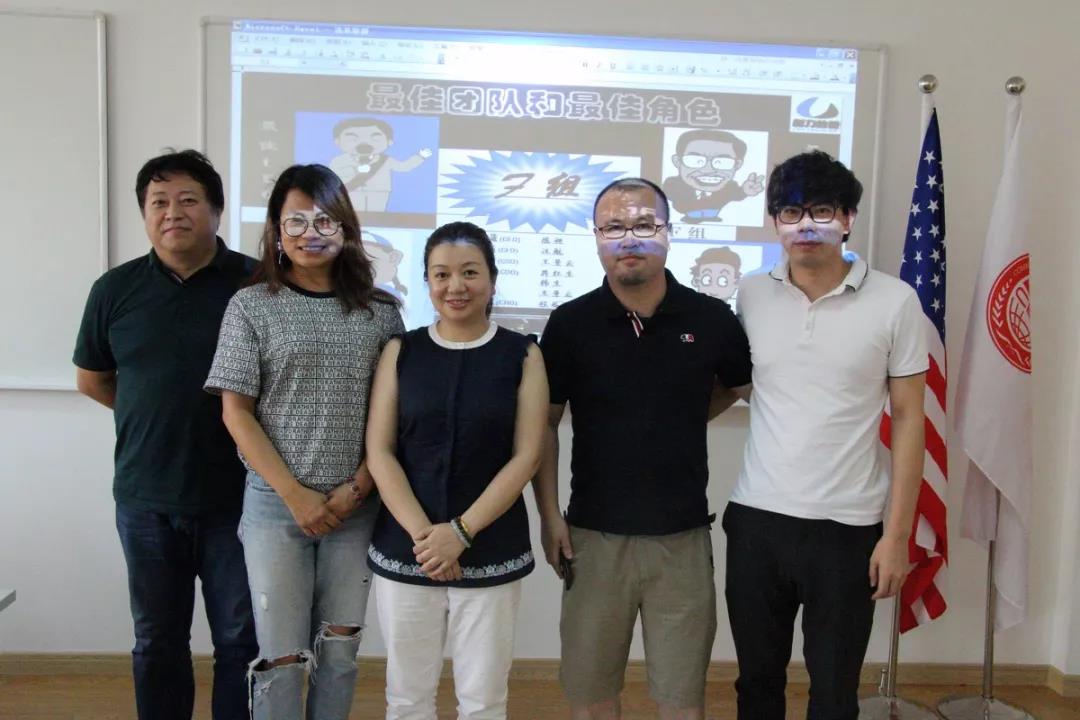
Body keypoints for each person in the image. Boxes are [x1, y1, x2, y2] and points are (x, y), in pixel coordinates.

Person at [536, 178, 752, 720]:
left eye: (643, 225)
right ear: (596, 237)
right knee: (590, 695)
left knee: (682, 699)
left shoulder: (711, 318)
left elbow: (741, 387)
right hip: (592, 537)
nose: (628, 239)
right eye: (613, 227)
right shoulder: (569, 324)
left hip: (682, 539)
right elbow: (545, 425)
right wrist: (549, 516)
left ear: (668, 233)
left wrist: (682, 416)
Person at [725, 150, 927, 720]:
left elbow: (909, 418)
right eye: (790, 213)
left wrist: (897, 536)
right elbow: (747, 385)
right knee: (756, 685)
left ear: (847, 218)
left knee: (835, 694)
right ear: (775, 222)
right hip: (757, 520)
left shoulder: (895, 300)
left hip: (848, 528)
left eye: (821, 211)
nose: (805, 226)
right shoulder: (751, 293)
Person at [204, 164, 403, 719]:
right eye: (296, 221)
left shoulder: (381, 312)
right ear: (276, 229)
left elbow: (394, 416)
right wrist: (296, 496)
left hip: (356, 508)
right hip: (275, 507)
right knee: (282, 657)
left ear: (346, 229)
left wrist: (357, 488)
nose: (310, 232)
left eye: (324, 220)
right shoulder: (250, 306)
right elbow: (236, 412)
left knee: (339, 651)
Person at [73, 149, 258, 719]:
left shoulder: (257, 285)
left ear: (217, 210)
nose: (172, 212)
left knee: (241, 642)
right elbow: (93, 379)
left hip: (239, 499)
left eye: (188, 200)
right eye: (158, 202)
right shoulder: (114, 289)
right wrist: (153, 415)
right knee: (157, 640)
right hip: (146, 499)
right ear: (145, 214)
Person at [365, 221, 548, 720]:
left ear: (492, 279)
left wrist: (461, 533)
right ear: (426, 281)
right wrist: (429, 540)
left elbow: (527, 455)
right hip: (409, 549)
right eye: (441, 274)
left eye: (470, 272)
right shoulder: (402, 351)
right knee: (407, 698)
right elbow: (379, 451)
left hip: (492, 548)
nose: (455, 286)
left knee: (483, 700)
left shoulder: (523, 353)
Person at [328, 116, 432, 212]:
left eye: (375, 138)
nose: (364, 143)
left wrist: (420, 157)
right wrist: (355, 170)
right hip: (351, 192)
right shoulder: (339, 160)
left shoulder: (386, 160)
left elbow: (404, 167)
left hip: (379, 192)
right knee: (354, 215)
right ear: (337, 142)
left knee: (377, 213)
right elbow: (333, 175)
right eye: (352, 138)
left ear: (389, 142)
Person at [662, 129, 764, 224]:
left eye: (722, 162)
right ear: (677, 161)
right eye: (696, 160)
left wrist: (745, 191)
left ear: (737, 165)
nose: (708, 170)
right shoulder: (672, 185)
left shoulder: (730, 187)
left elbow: (737, 194)